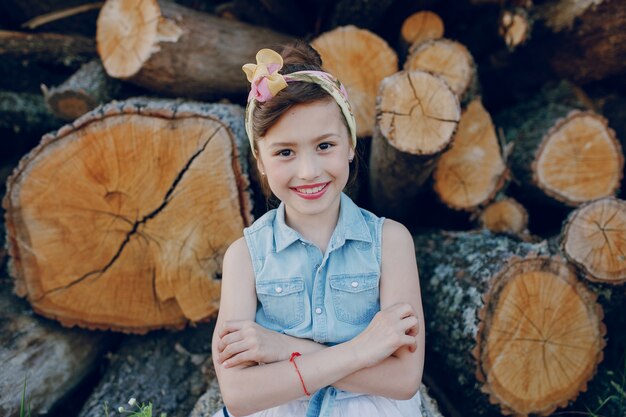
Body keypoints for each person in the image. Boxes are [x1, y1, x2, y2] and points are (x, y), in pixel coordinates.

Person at [211, 41, 425, 417]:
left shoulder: (390, 242)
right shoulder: (245, 257)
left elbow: (404, 379)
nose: (308, 171)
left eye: (324, 145)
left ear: (350, 145)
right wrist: (361, 351)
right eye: (285, 152)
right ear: (260, 159)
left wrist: (282, 349)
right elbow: (239, 394)